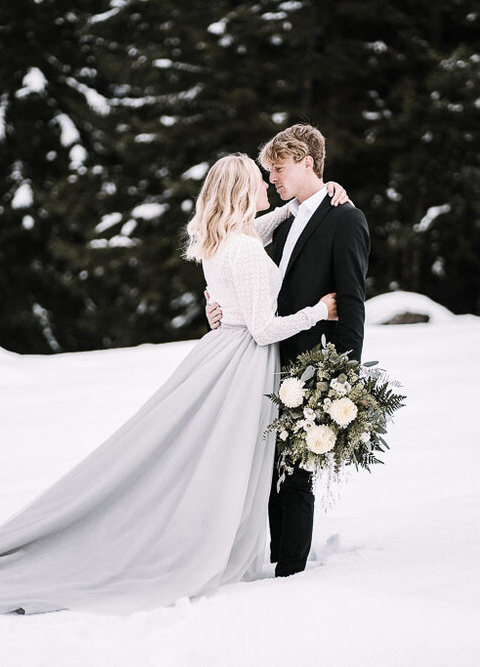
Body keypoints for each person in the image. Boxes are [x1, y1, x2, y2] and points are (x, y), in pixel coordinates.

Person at [0, 154, 352, 615]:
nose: (266, 184)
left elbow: (257, 237)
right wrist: (318, 311)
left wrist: (308, 203)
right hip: (241, 365)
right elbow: (261, 327)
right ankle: (206, 543)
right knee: (219, 463)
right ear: (241, 191)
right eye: (259, 180)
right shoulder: (247, 249)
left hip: (215, 356)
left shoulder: (220, 242)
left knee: (190, 458)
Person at [206, 125, 369, 578]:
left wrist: (344, 378)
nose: (272, 177)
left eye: (278, 168)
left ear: (306, 162)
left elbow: (351, 301)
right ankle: (276, 561)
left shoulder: (345, 218)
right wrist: (217, 305)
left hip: (315, 365)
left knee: (296, 473)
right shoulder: (286, 217)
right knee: (268, 470)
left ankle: (290, 573)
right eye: (269, 171)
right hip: (267, 359)